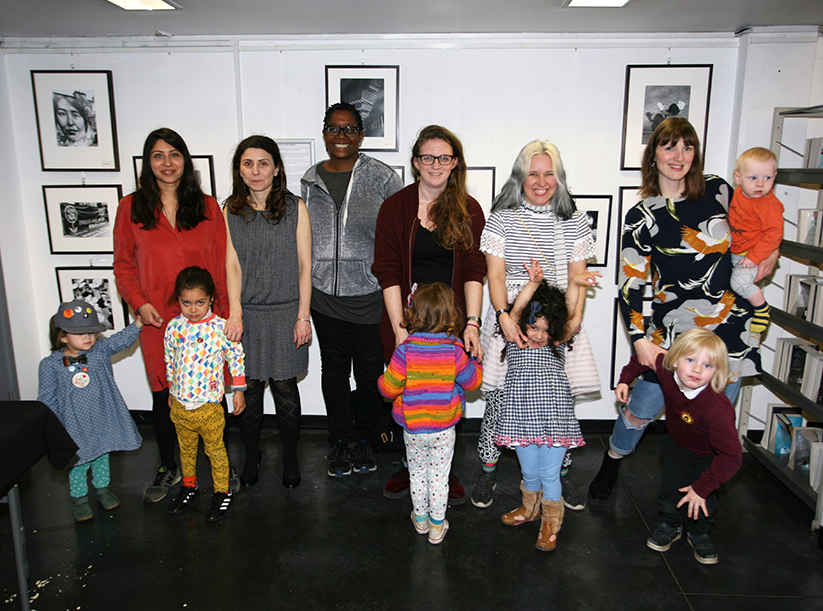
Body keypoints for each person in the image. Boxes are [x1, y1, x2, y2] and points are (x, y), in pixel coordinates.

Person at [587, 117, 775, 502]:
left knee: (715, 419)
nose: (679, 155)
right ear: (653, 154)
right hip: (672, 332)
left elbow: (763, 220)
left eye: (687, 147)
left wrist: (768, 254)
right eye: (669, 146)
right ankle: (613, 458)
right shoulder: (642, 214)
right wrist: (638, 339)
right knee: (640, 409)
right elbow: (632, 283)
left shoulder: (721, 190)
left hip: (729, 330)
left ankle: (700, 490)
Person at [113, 127, 237, 503]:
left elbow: (221, 266)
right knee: (165, 392)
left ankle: (220, 467)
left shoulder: (208, 206)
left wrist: (228, 316)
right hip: (158, 320)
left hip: (205, 319)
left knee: (211, 394)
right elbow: (123, 266)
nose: (167, 163)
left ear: (186, 160)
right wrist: (139, 302)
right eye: (158, 155)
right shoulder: (130, 208)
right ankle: (169, 467)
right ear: (148, 163)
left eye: (174, 154)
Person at [473, 140, 597, 510]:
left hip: (558, 323)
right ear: (520, 177)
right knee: (499, 402)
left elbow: (578, 276)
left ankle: (559, 477)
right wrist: (504, 318)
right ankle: (488, 472)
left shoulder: (574, 218)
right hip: (512, 318)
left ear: (558, 178)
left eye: (549, 173)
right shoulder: (502, 217)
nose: (541, 181)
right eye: (533, 173)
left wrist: (571, 324)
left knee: (559, 405)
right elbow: (494, 276)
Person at [373, 125, 487, 504]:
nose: (435, 164)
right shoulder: (395, 208)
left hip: (452, 325)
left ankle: (444, 468)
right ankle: (410, 465)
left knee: (447, 391)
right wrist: (399, 331)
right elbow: (387, 271)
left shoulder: (469, 209)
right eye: (427, 157)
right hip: (408, 320)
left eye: (444, 157)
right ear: (415, 163)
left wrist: (472, 322)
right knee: (408, 392)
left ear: (455, 163)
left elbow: (474, 269)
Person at [302, 102, 404, 477]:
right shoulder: (309, 181)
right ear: (325, 133)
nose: (341, 136)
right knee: (333, 371)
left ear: (361, 135)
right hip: (324, 295)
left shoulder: (383, 178)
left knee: (367, 372)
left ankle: (366, 438)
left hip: (369, 293)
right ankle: (340, 441)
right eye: (334, 128)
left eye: (349, 129)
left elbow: (395, 235)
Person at [224, 135, 312, 488]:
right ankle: (252, 456)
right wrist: (235, 313)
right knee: (252, 388)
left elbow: (306, 264)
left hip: (287, 311)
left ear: (277, 168)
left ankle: (290, 457)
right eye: (248, 164)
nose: (256, 170)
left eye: (263, 163)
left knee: (286, 387)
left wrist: (303, 315)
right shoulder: (230, 209)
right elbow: (231, 265)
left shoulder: (296, 208)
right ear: (239, 170)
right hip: (248, 313)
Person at [496, 260, 598, 552]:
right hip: (522, 418)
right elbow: (515, 312)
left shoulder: (558, 340)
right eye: (534, 327)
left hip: (555, 418)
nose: (539, 335)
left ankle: (551, 522)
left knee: (549, 475)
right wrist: (532, 284)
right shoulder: (516, 338)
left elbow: (573, 317)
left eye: (545, 329)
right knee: (530, 473)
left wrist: (577, 286)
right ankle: (530, 509)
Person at [615, 328, 742, 565]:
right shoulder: (666, 369)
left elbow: (731, 456)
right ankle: (671, 524)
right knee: (671, 490)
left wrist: (703, 487)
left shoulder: (717, 409)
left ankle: (699, 532)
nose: (696, 370)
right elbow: (642, 358)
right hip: (676, 444)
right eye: (691, 360)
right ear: (674, 359)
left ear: (717, 372)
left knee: (702, 499)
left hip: (709, 457)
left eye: (707, 365)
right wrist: (625, 378)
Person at [378, 283, 482, 545]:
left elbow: (388, 390)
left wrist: (382, 380)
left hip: (413, 429)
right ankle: (437, 527)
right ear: (451, 314)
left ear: (414, 313)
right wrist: (477, 362)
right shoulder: (455, 351)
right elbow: (472, 383)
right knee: (439, 476)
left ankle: (421, 520)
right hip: (444, 428)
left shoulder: (405, 351)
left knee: (417, 474)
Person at [37, 300, 143, 522]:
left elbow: (120, 340)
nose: (88, 337)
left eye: (92, 332)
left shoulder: (100, 350)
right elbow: (47, 398)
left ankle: (103, 489)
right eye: (80, 333)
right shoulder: (51, 364)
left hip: (102, 417)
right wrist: (52, 428)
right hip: (73, 424)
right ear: (62, 336)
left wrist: (139, 323)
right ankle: (79, 499)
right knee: (79, 462)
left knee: (102, 456)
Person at [163, 267, 246, 523]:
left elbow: (236, 358)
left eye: (199, 302)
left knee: (216, 451)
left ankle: (222, 491)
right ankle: (189, 485)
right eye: (186, 303)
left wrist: (239, 391)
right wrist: (171, 390)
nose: (193, 309)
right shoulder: (174, 327)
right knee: (186, 450)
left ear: (211, 298)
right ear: (178, 300)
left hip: (209, 407)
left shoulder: (221, 327)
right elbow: (170, 360)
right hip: (180, 405)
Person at [728, 147, 783, 333]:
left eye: (767, 178)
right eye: (753, 178)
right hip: (736, 252)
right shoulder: (737, 194)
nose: (760, 184)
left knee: (739, 283)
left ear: (774, 177)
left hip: (751, 255)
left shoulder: (768, 205)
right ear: (738, 178)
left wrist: (754, 257)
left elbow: (774, 234)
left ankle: (762, 309)